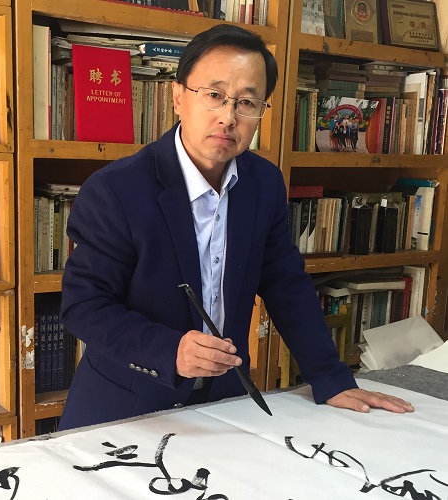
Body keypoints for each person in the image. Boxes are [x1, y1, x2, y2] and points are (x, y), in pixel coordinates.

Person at [58, 24, 413, 431]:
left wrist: (330, 377)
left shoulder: (263, 183)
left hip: (224, 402)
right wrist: (169, 350)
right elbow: (84, 305)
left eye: (247, 102)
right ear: (178, 97)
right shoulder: (114, 190)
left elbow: (285, 283)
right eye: (214, 95)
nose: (228, 117)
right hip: (126, 406)